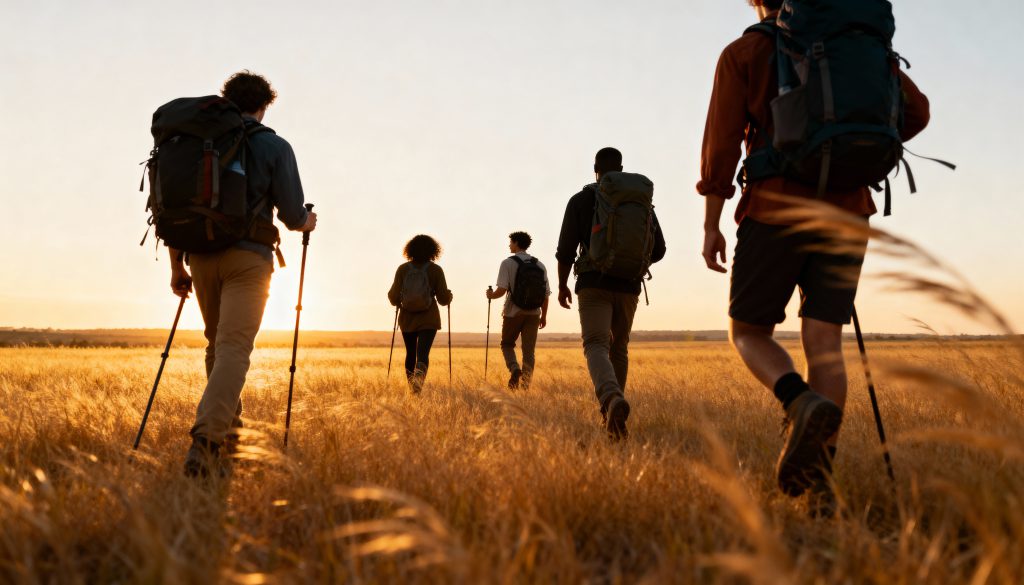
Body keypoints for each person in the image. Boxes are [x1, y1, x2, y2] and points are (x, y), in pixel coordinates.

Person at [697, 0, 930, 514]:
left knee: (748, 332)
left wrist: (712, 221)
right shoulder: (860, 42)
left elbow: (721, 146)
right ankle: (822, 490)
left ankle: (799, 402)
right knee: (825, 340)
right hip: (849, 211)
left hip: (775, 207)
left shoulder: (745, 51)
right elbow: (916, 112)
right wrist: (846, 148)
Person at [169, 71, 317, 477]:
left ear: (228, 100)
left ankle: (230, 438)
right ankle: (206, 443)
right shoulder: (273, 145)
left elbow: (181, 205)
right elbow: (291, 216)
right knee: (234, 348)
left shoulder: (200, 143)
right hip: (249, 258)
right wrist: (309, 222)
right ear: (264, 105)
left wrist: (176, 264)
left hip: (199, 257)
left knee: (217, 346)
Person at [556, 147, 667, 440]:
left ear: (596, 170)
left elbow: (565, 249)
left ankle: (610, 399)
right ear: (620, 168)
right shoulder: (640, 202)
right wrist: (631, 263)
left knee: (595, 344)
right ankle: (612, 418)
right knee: (619, 348)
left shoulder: (581, 200)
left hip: (593, 283)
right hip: (629, 285)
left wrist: (562, 284)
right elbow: (660, 250)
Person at [485, 231, 551, 390]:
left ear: (516, 243)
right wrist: (544, 317)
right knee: (529, 351)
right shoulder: (539, 265)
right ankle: (525, 386)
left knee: (507, 344)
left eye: (510, 242)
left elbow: (501, 290)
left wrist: (490, 295)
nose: (509, 245)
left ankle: (515, 369)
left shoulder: (507, 263)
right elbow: (546, 294)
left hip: (513, 312)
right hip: (534, 313)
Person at [388, 235, 454, 393]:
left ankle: (413, 390)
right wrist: (449, 296)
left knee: (410, 353)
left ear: (410, 249)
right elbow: (443, 299)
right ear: (433, 250)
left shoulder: (403, 269)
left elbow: (392, 297)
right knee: (422, 354)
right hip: (428, 319)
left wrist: (402, 300)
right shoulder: (435, 270)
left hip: (407, 318)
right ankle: (418, 384)